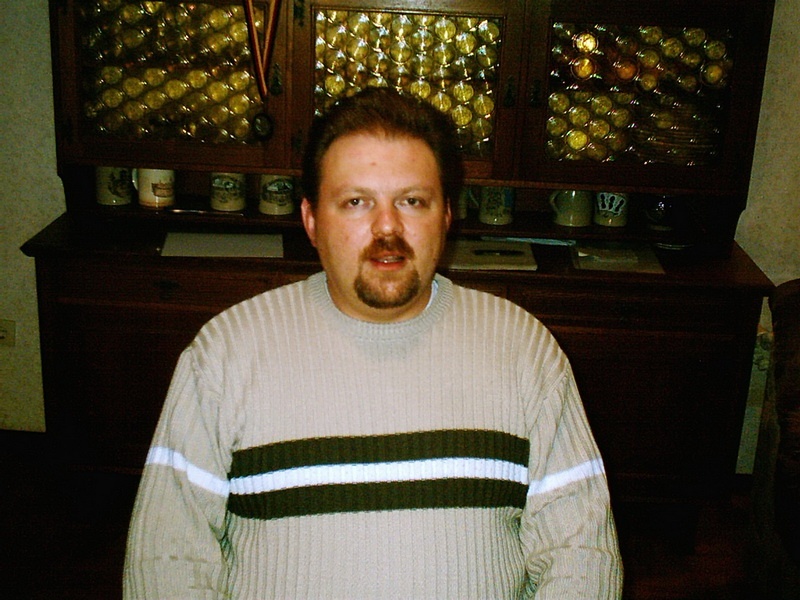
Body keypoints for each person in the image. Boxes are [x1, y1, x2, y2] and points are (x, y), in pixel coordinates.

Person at [123, 87, 623, 599]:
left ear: (446, 217)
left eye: (412, 201)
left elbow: (582, 554)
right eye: (356, 202)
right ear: (311, 221)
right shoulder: (224, 354)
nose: (388, 227)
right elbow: (165, 557)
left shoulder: (525, 350)